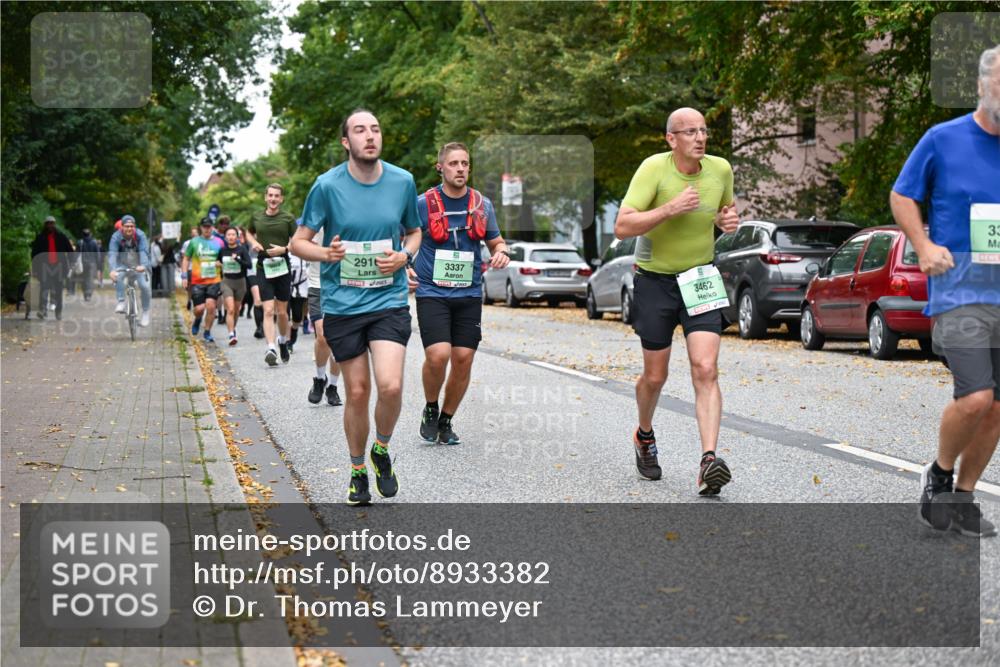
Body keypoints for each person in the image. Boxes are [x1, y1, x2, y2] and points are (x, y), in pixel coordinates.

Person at [891, 45, 1000, 538]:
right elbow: (902, 194)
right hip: (959, 294)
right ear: (980, 85)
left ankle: (963, 496)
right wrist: (923, 245)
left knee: (997, 408)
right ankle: (938, 474)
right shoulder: (943, 139)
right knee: (976, 397)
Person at [290, 108, 421, 506]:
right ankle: (358, 470)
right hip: (344, 305)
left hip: (388, 300)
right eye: (360, 130)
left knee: (391, 386)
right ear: (346, 142)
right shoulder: (327, 186)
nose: (370, 136)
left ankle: (381, 448)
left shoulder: (402, 181)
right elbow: (299, 242)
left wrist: (404, 256)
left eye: (375, 129)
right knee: (358, 392)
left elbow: (414, 232)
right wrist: (326, 254)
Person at [614, 107, 739, 494]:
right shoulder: (654, 169)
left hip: (701, 279)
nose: (699, 138)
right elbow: (622, 225)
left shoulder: (720, 170)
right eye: (689, 132)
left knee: (706, 368)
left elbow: (725, 211)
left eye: (703, 130)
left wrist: (726, 222)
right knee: (655, 376)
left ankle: (708, 461)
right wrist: (670, 208)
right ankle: (644, 435)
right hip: (655, 281)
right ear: (671, 139)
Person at [411, 142, 510, 445]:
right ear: (440, 167)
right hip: (432, 291)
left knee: (464, 357)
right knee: (438, 355)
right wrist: (405, 266)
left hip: (468, 293)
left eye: (465, 163)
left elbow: (496, 241)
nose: (460, 169)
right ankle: (431, 407)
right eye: (454, 163)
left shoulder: (482, 205)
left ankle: (446, 420)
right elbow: (405, 239)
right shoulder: (422, 204)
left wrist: (502, 252)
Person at [245, 183, 298, 366]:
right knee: (268, 310)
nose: (273, 199)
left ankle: (282, 341)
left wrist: (285, 248)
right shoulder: (257, 217)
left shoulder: (288, 218)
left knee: (282, 312)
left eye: (277, 196)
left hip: (282, 267)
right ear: (265, 197)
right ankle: (270, 348)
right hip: (263, 267)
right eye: (270, 195)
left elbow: (297, 241)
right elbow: (248, 232)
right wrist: (253, 243)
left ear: (281, 199)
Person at [304, 230, 343, 407]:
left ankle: (332, 386)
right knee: (322, 336)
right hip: (317, 284)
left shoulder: (347, 222)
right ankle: (320, 379)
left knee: (338, 339)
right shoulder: (312, 224)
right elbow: (297, 244)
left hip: (342, 286)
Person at [182, 217, 224, 342]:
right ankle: (198, 319)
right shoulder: (194, 242)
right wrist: (184, 276)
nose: (207, 229)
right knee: (199, 309)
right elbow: (186, 259)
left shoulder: (219, 242)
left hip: (214, 279)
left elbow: (225, 258)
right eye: (204, 227)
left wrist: (221, 264)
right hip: (197, 281)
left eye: (209, 227)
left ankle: (207, 331)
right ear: (201, 227)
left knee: (211, 306)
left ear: (212, 227)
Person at [108, 214, 153, 327]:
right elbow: (112, 254)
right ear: (122, 227)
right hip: (123, 264)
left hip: (139, 265)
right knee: (118, 276)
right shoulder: (116, 237)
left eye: (132, 226)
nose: (129, 228)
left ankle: (145, 312)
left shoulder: (140, 235)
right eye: (127, 226)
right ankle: (121, 301)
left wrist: (143, 265)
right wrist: (112, 270)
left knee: (145, 286)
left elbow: (143, 251)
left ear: (134, 227)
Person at [30, 215, 74, 320]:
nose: (50, 225)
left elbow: (70, 251)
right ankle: (43, 310)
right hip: (44, 267)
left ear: (54, 224)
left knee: (58, 291)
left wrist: (71, 264)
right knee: (44, 289)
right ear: (45, 225)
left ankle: (58, 312)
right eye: (48, 223)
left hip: (59, 267)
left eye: (52, 223)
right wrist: (35, 269)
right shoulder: (40, 238)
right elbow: (34, 254)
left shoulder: (61, 237)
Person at [219, 226, 252, 346]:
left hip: (240, 282)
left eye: (233, 234)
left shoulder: (242, 249)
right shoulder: (222, 250)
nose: (231, 237)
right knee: (231, 309)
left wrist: (238, 259)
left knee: (237, 310)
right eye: (228, 235)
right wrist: (218, 264)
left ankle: (233, 328)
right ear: (225, 237)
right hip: (227, 282)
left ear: (237, 237)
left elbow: (249, 265)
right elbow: (218, 262)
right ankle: (231, 334)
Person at [287, 240, 310, 353]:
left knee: (297, 316)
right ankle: (287, 342)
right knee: (284, 314)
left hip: (300, 288)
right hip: (284, 286)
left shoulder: (305, 253)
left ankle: (293, 335)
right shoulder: (284, 252)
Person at [77, 228, 100, 301]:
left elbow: (76, 254)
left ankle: (85, 294)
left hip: (82, 263)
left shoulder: (80, 242)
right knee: (90, 279)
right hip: (92, 263)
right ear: (90, 234)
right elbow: (97, 254)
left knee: (83, 279)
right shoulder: (94, 242)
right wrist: (98, 264)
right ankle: (88, 295)